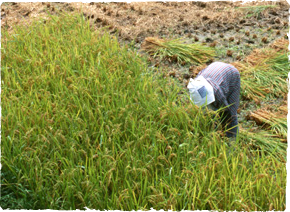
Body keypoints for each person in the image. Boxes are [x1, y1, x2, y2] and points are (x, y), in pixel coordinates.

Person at [187, 62, 241, 139]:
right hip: (214, 69)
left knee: (232, 114)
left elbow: (226, 112)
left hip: (231, 75)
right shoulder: (195, 86)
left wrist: (225, 128)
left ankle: (232, 142)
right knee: (210, 116)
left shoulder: (217, 92)